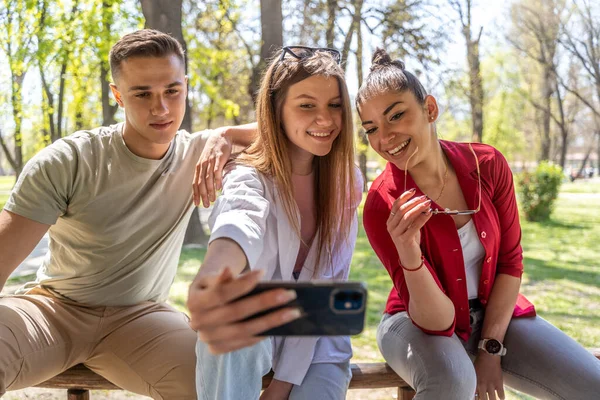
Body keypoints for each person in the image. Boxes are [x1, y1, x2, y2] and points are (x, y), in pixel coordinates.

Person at [0, 29, 285, 399]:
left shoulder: (199, 152)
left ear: (186, 85)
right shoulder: (69, 160)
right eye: (142, 94)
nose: (161, 108)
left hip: (142, 320)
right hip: (54, 311)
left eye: (172, 90)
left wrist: (226, 133)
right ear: (117, 95)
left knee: (219, 385)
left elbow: (293, 127)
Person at [358, 48, 600, 400]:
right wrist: (409, 253)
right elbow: (436, 322)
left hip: (495, 313)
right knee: (454, 383)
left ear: (429, 109)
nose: (385, 138)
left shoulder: (487, 164)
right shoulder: (382, 204)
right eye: (371, 129)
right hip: (415, 323)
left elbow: (509, 262)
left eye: (396, 116)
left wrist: (490, 349)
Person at [187, 46, 362, 400]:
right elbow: (240, 219)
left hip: (318, 335)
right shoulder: (248, 175)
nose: (325, 120)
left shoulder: (347, 181)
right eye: (307, 105)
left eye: (334, 105)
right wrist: (213, 274)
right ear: (276, 111)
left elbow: (325, 284)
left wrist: (282, 385)